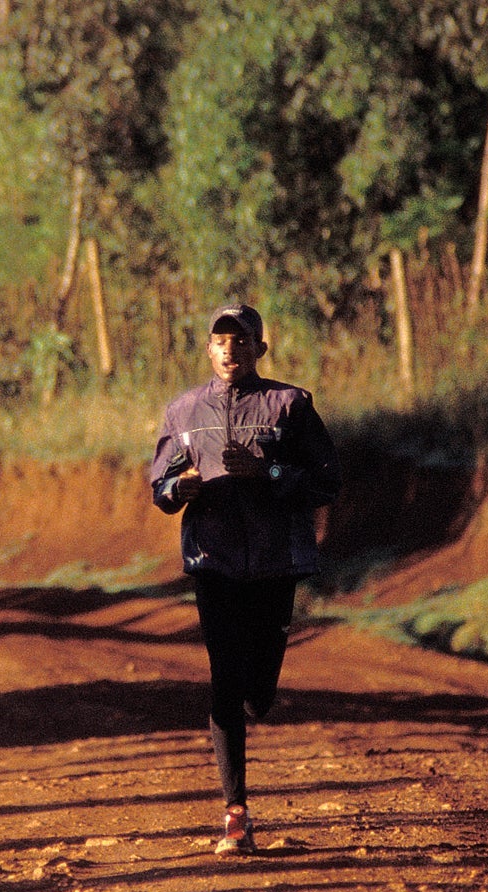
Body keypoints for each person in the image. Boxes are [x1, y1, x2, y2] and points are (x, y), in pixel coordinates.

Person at [149, 303, 341, 857]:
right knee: (225, 683)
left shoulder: (291, 404)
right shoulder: (184, 410)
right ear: (207, 349)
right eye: (220, 340)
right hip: (214, 561)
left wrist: (270, 472)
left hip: (278, 562)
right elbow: (160, 481)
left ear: (260, 348)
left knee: (259, 696)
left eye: (241, 340)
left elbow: (327, 481)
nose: (230, 350)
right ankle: (236, 814)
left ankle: (257, 699)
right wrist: (176, 492)